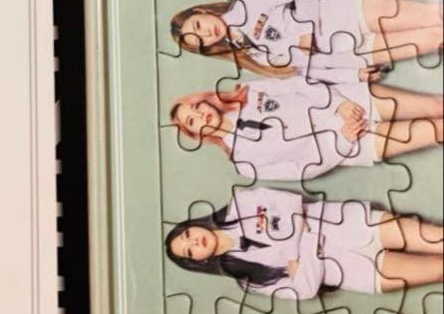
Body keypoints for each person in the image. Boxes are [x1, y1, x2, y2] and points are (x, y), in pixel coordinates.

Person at [165, 187, 443, 298]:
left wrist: (298, 259)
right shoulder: (247, 280)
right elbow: (305, 289)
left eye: (187, 235)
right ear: (199, 261)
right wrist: (306, 235)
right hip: (357, 272)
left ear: (194, 224)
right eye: (190, 251)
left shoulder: (242, 203)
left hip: (356, 225)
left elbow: (291, 203)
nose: (195, 241)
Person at [170, 0, 443, 84]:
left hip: (348, 14)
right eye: (200, 41)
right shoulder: (250, 58)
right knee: (434, 38)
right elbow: (306, 71)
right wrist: (352, 74)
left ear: (202, 12)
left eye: (198, 26)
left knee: (433, 15)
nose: (206, 34)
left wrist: (305, 30)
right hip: (354, 53)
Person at [169, 77, 442, 182]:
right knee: (436, 131)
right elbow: (303, 170)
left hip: (351, 101)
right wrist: (343, 141)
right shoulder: (244, 165)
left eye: (196, 107)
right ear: (196, 135)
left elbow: (300, 85)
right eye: (192, 121)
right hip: (355, 144)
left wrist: (338, 105)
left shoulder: (248, 90)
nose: (200, 115)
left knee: (435, 105)